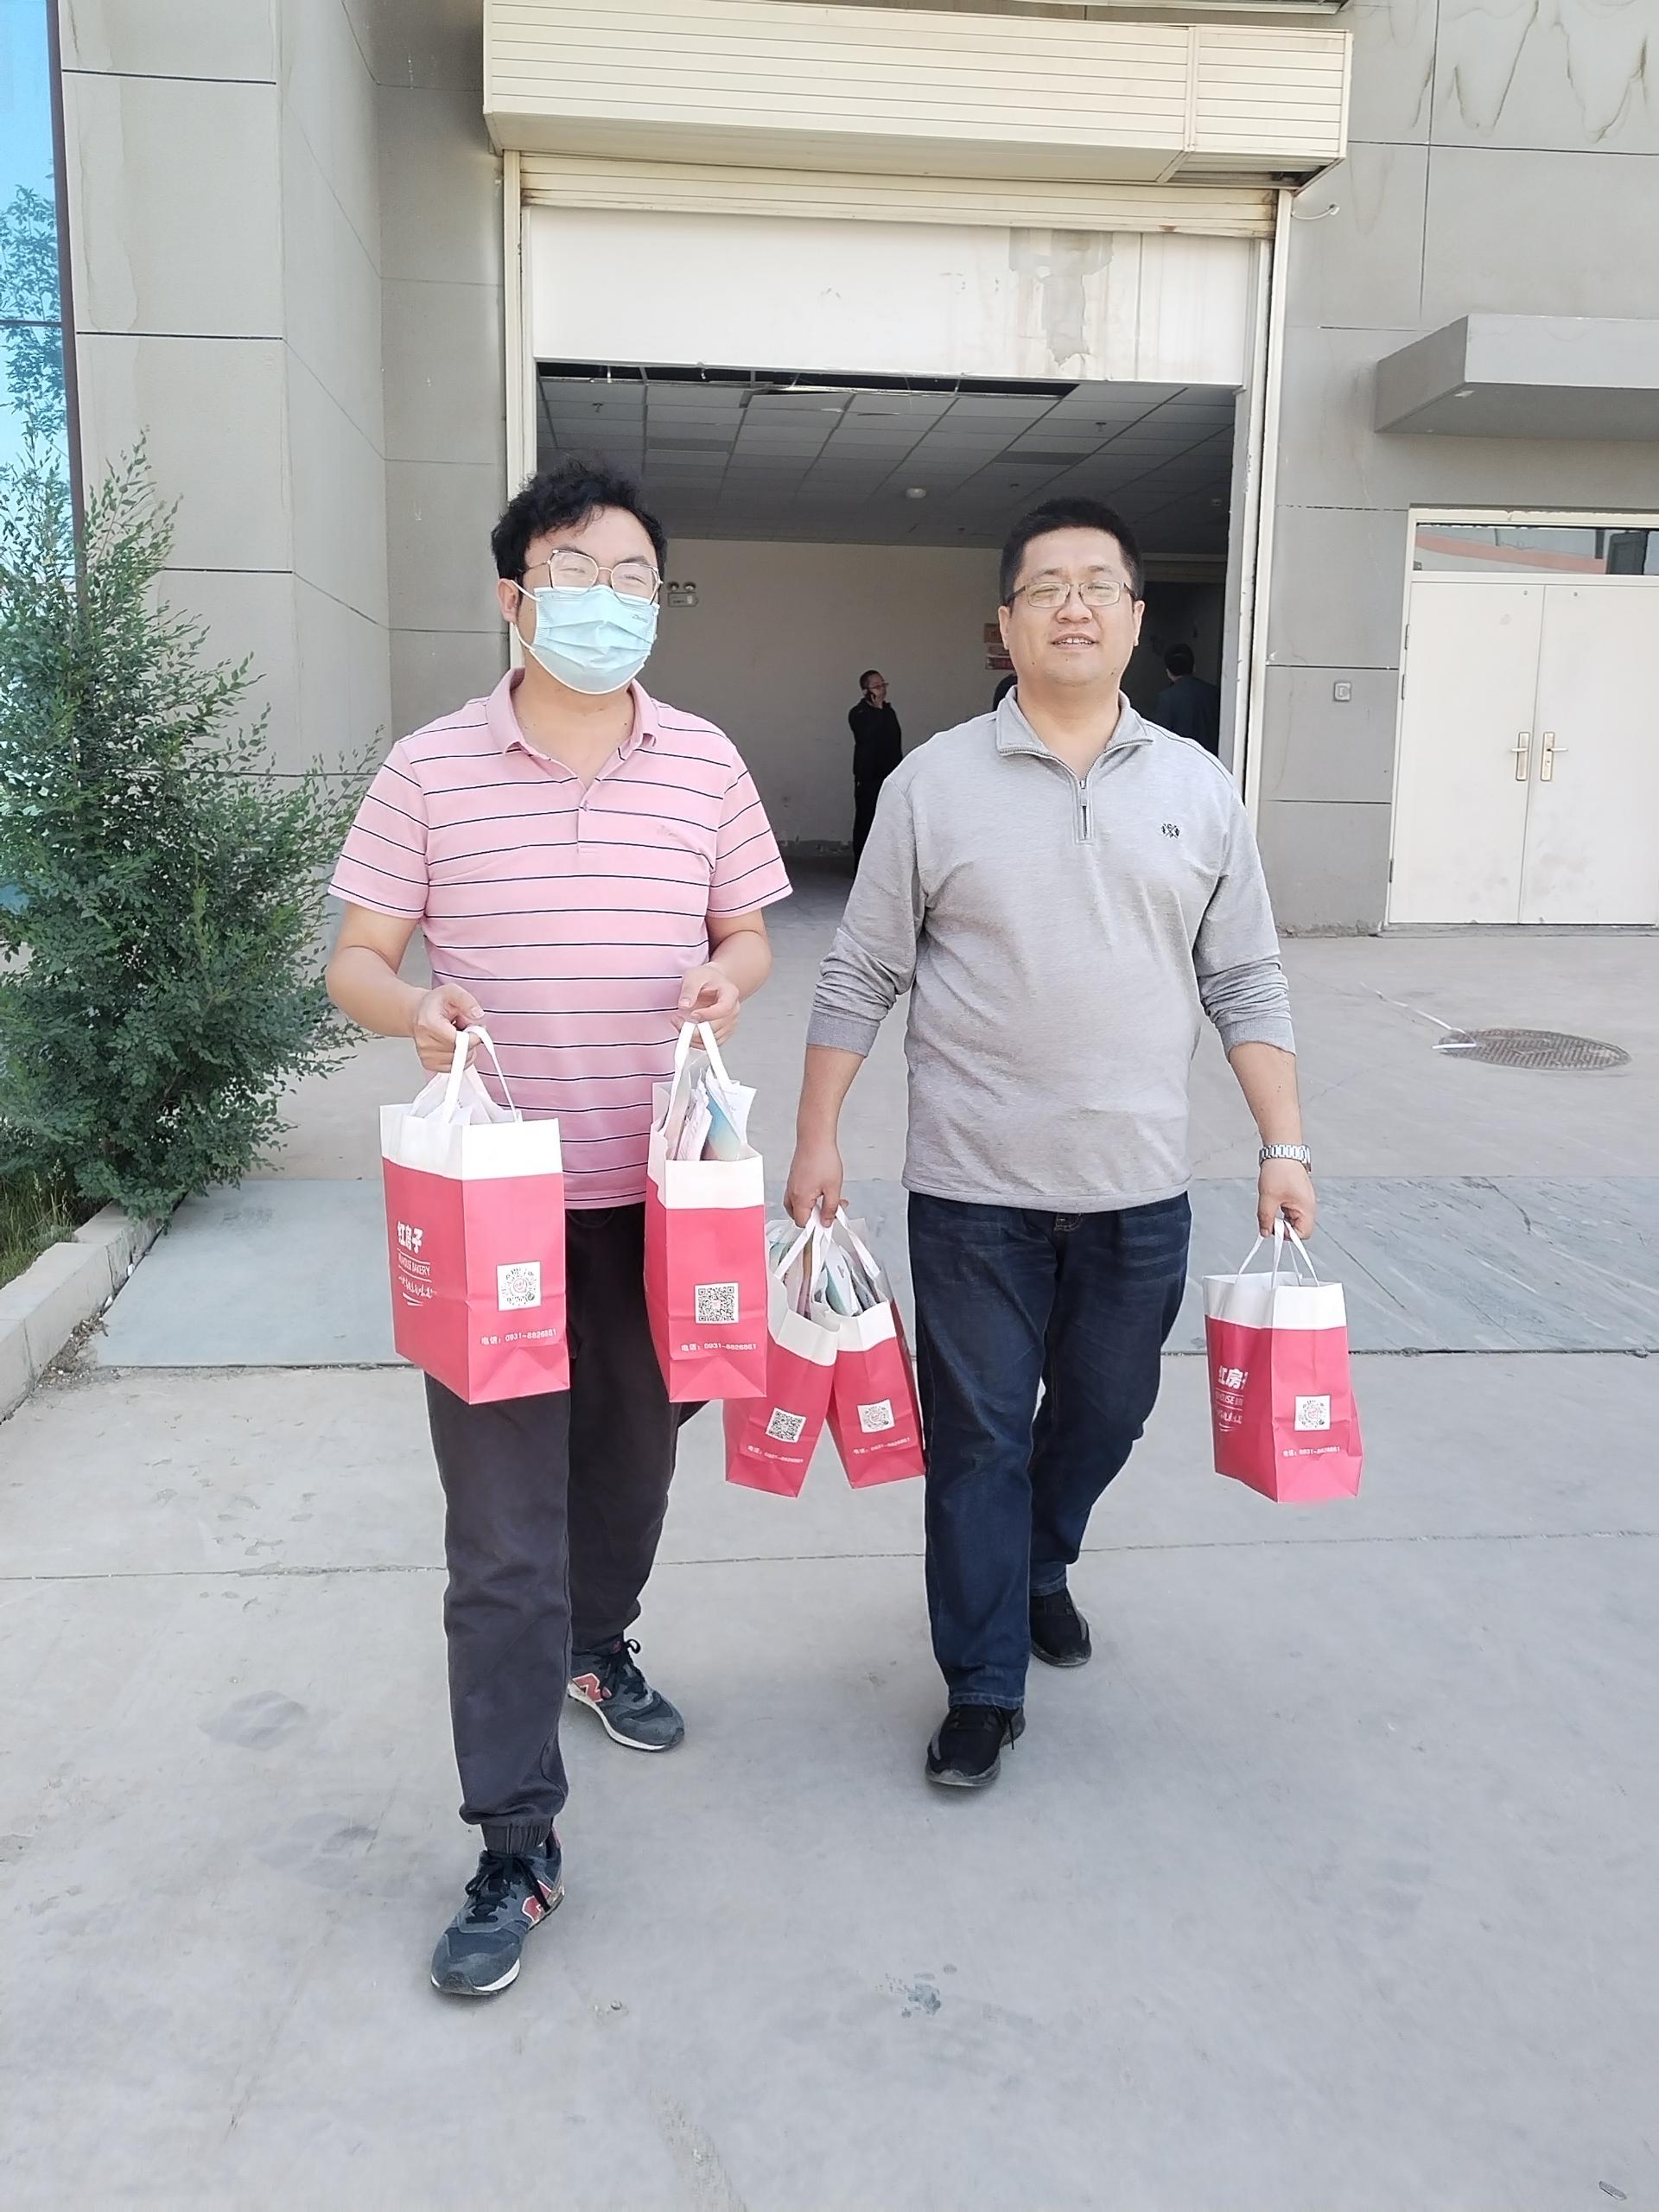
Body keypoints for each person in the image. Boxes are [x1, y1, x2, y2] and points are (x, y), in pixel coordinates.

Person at [327, 460, 791, 1997]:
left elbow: (748, 927)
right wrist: (413, 1008)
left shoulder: (704, 762)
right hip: (498, 1210)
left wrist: (731, 974)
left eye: (635, 577)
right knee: (501, 1540)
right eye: (576, 575)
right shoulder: (430, 769)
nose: (609, 601)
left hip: (661, 1199)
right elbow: (357, 959)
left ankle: (601, 1642)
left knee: (634, 1474)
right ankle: (515, 1838)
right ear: (514, 597)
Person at [785, 497, 1314, 1793]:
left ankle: (1041, 1555)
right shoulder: (932, 784)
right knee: (977, 1437)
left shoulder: (1199, 789)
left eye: (1098, 585)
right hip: (972, 1189)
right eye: (1045, 587)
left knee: (1108, 1411)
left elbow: (1245, 977)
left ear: (1134, 618)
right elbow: (860, 971)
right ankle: (981, 1683)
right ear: (1005, 624)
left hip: (1137, 1187)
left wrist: (1284, 1143)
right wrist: (817, 1137)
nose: (1073, 605)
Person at [848, 670, 902, 862]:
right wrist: (877, 708)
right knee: (866, 818)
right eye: (877, 687)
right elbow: (866, 736)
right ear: (866, 691)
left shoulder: (889, 712)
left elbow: (894, 740)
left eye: (883, 685)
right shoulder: (858, 713)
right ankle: (861, 864)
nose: (882, 690)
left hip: (890, 773)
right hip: (868, 775)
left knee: (889, 820)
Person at [1154, 640, 1222, 755]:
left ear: (1168, 672)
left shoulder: (1167, 698)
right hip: (1211, 759)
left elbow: (1160, 737)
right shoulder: (1214, 693)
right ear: (1194, 667)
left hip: (1180, 759)